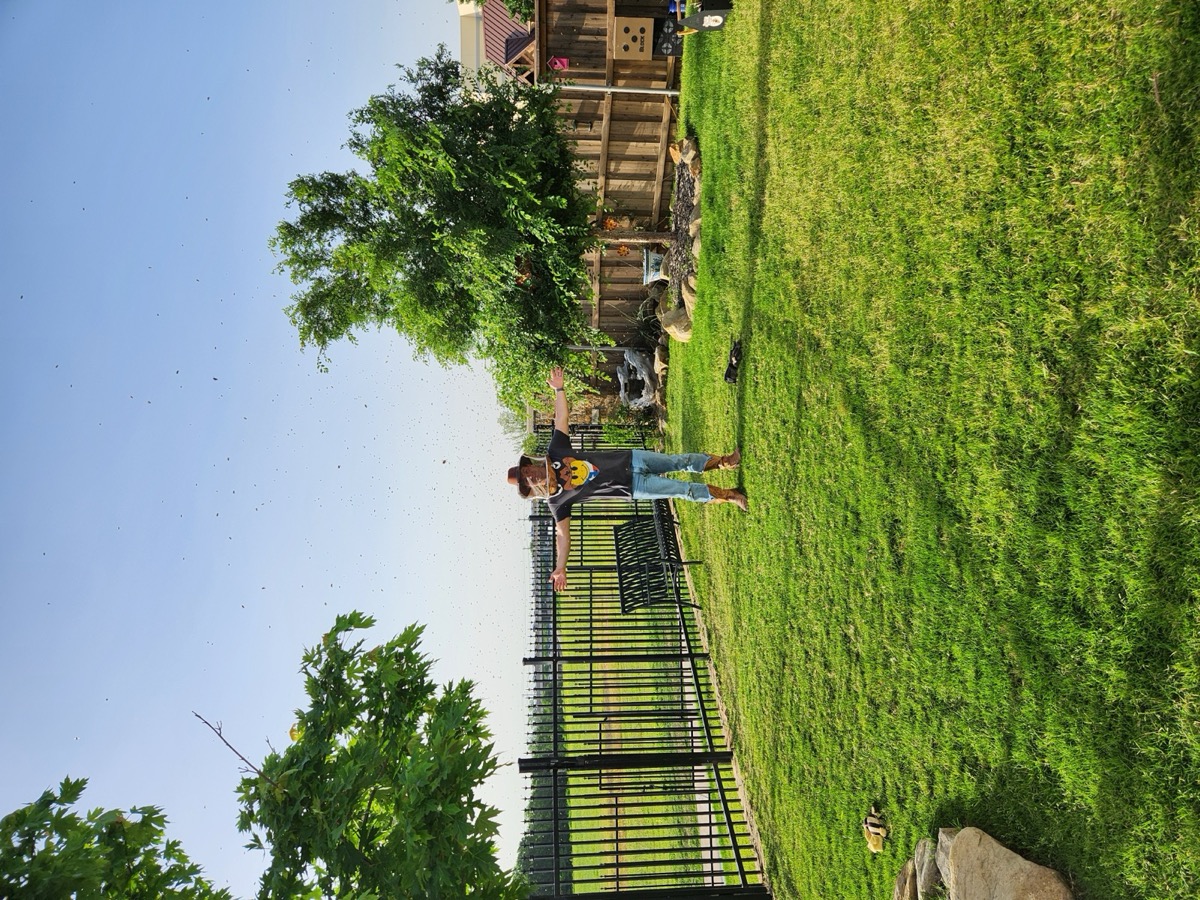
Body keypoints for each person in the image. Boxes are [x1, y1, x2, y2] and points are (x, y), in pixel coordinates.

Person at [507, 368, 747, 590]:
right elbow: (563, 536)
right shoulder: (556, 501)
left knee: (678, 461)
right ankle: (730, 495)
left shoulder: (556, 451)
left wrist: (559, 389)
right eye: (527, 480)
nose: (531, 475)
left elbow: (561, 420)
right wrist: (560, 567)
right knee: (682, 490)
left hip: (632, 459)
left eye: (527, 471)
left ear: (530, 464)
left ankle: (726, 461)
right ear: (531, 487)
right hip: (633, 487)